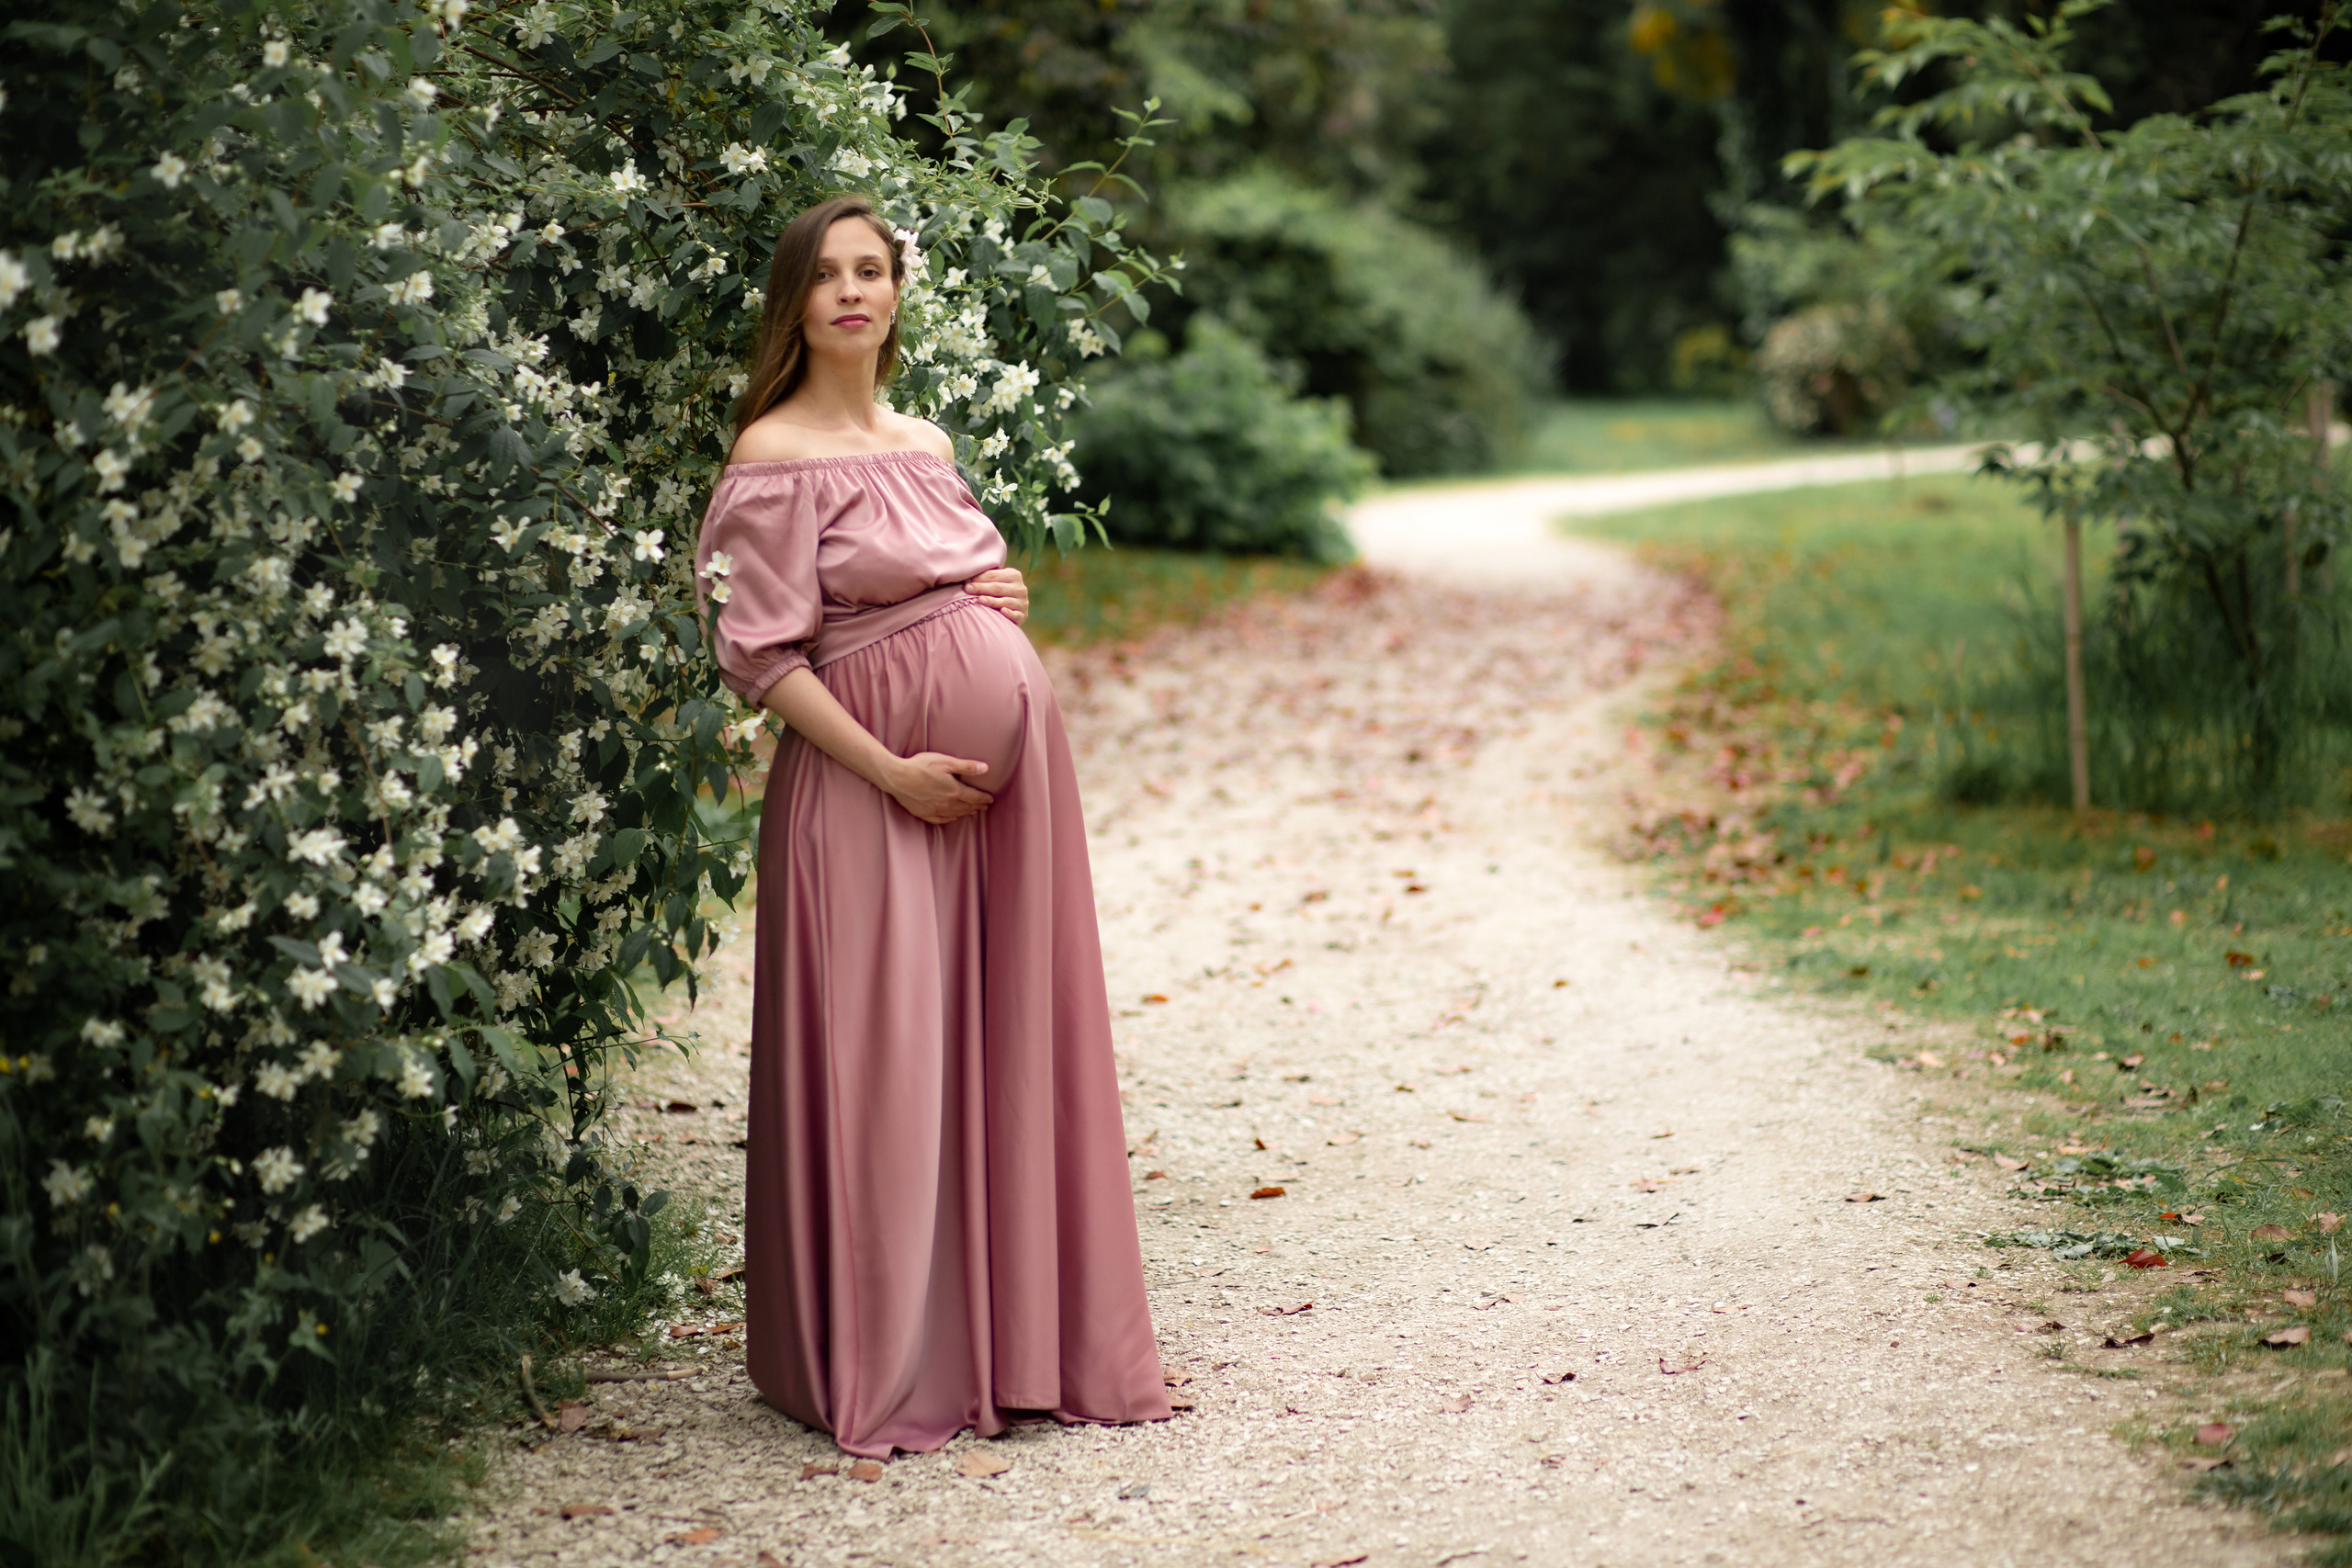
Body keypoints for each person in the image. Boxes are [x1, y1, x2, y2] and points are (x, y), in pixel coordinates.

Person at [693, 195, 1170, 1459]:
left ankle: (1023, 1346)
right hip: (864, 787)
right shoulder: (770, 454)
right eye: (828, 275)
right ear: (795, 302)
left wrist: (994, 587)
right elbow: (762, 657)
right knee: (888, 1062)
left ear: (897, 292)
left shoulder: (926, 436)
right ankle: (890, 1357)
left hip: (1010, 804)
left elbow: (957, 574)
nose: (854, 291)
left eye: (874, 270)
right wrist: (891, 772)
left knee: (1010, 1043)